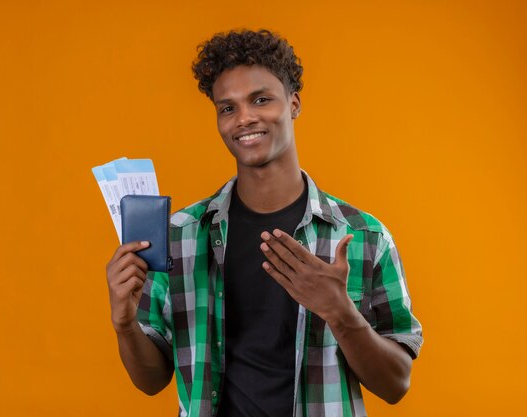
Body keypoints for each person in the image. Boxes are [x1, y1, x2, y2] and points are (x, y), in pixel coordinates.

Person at [106, 29, 423, 417]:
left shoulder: (364, 237)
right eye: (228, 108)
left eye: (260, 99)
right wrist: (124, 324)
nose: (245, 119)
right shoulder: (180, 236)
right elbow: (151, 381)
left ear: (293, 104)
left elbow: (396, 385)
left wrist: (340, 312)